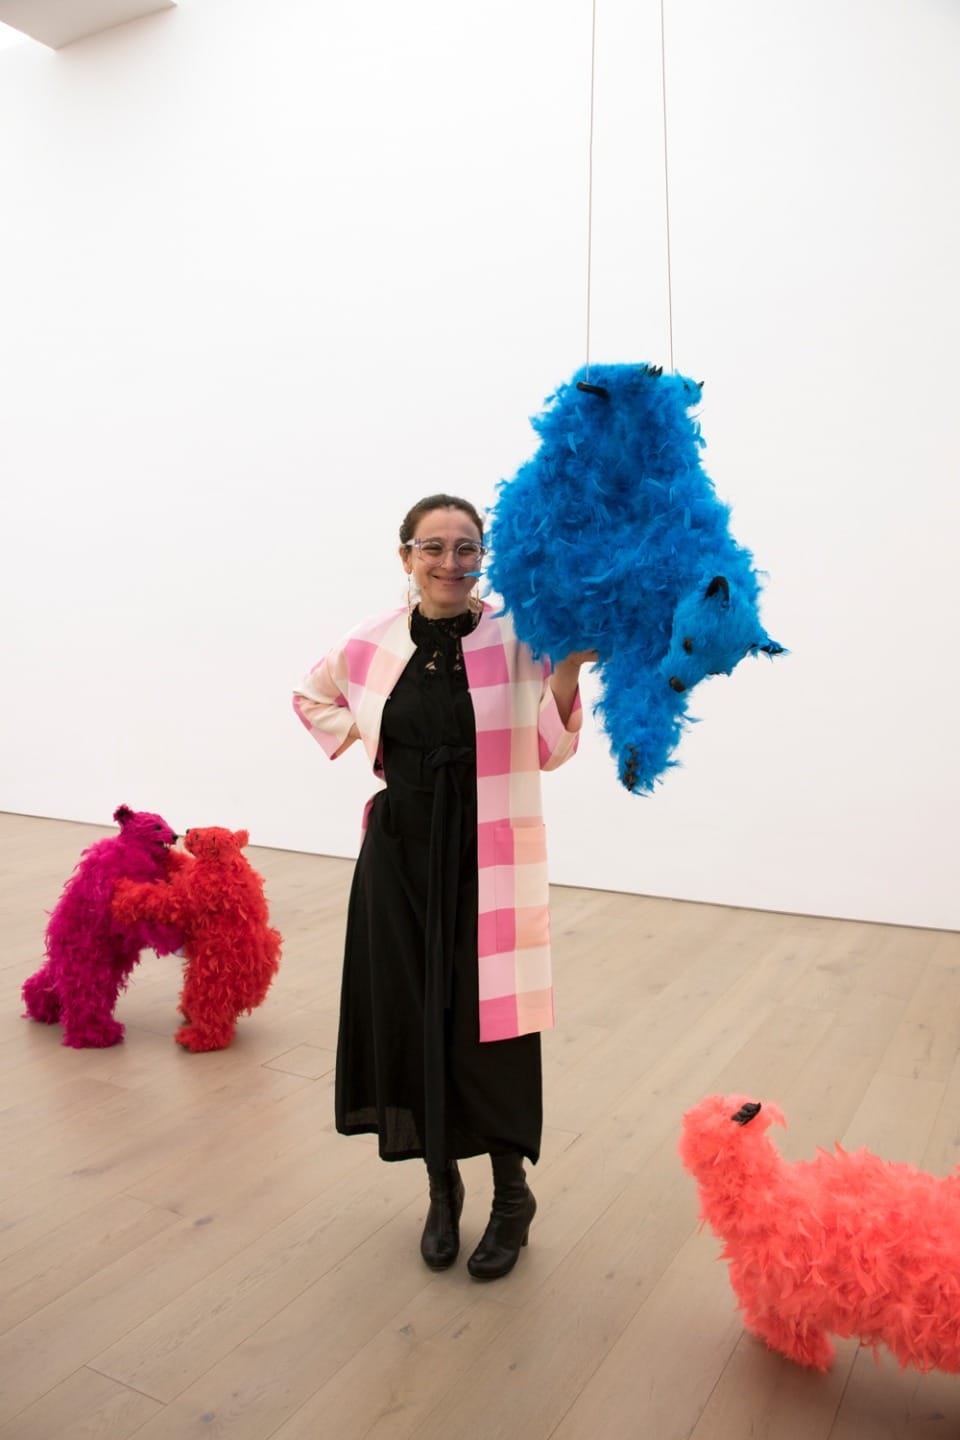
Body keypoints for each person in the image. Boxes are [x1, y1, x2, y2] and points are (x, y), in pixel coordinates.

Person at [293, 494, 589, 1280]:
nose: (450, 563)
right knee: (416, 1012)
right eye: (434, 548)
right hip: (399, 854)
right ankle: (440, 1186)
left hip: (484, 853)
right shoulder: (371, 642)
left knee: (490, 1024)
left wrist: (564, 668)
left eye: (467, 549)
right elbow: (311, 695)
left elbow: (551, 747)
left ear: (483, 557)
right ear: (406, 557)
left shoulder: (520, 637)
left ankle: (512, 1195)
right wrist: (368, 740)